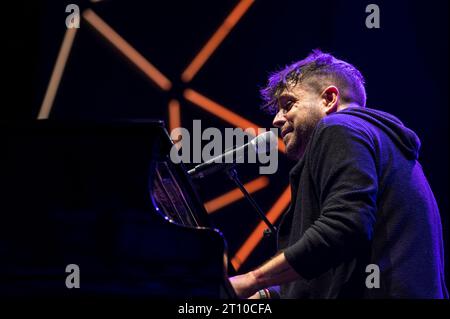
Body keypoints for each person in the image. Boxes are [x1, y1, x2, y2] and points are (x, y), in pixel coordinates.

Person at [229, 50, 448, 299]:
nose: (278, 120)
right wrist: (268, 295)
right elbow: (341, 263)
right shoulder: (383, 145)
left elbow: (344, 228)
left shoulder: (339, 128)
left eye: (288, 105)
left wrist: (251, 280)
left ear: (329, 99)